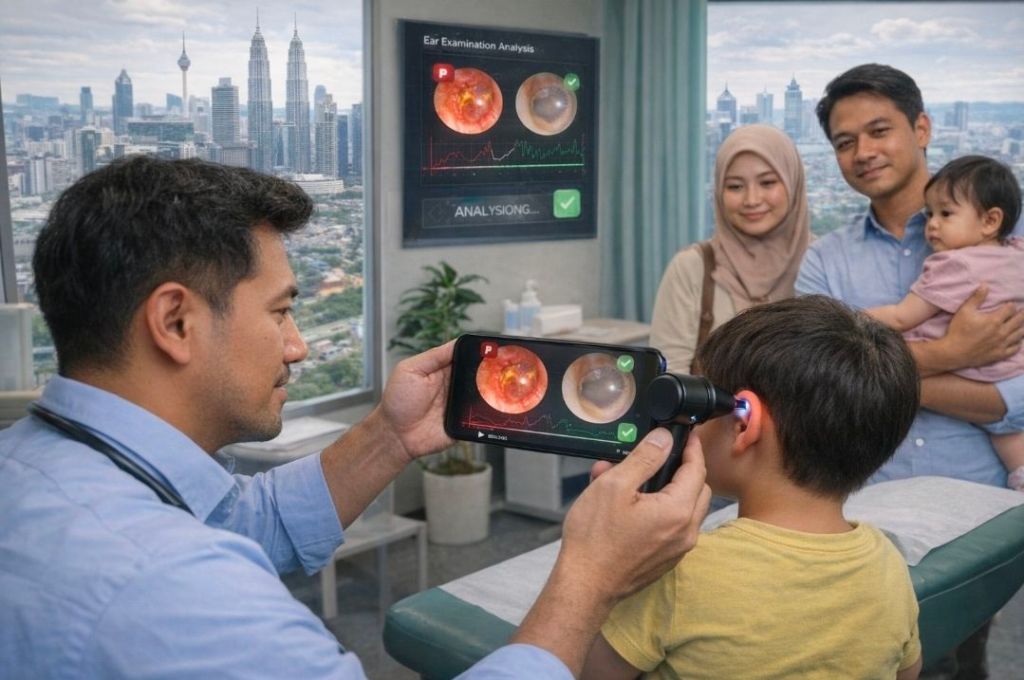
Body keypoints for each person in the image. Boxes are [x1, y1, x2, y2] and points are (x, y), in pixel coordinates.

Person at [0, 156, 712, 679]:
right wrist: (591, 573)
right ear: (176, 321)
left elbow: (237, 524)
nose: (299, 345)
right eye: (281, 310)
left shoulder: (37, 466)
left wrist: (389, 438)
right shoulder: (174, 591)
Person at [796, 63, 1024, 680]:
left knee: (961, 659)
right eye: (845, 143)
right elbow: (818, 385)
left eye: (879, 130)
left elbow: (1020, 395)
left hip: (979, 517)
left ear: (921, 128)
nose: (863, 152)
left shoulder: (1006, 245)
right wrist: (953, 357)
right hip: (867, 515)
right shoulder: (826, 260)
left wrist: (881, 373)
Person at [580, 295, 923, 680]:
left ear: (743, 423)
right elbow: (906, 672)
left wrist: (602, 560)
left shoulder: (677, 572)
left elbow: (581, 671)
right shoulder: (888, 564)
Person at [865, 155, 1024, 491]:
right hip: (1010, 369)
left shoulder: (954, 265)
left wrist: (854, 320)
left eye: (946, 214)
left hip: (972, 373)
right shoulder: (1015, 253)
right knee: (1010, 440)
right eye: (930, 214)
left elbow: (901, 316)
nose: (932, 225)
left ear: (990, 220)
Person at [650, 123, 811, 373]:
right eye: (735, 186)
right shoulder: (692, 267)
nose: (752, 200)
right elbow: (669, 376)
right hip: (711, 414)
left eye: (767, 183)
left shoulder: (821, 261)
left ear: (793, 183)